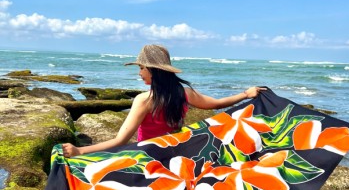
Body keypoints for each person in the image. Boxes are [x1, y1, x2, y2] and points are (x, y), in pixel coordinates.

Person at [62, 44, 266, 158]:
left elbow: (120, 141)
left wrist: (80, 150)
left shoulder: (143, 100)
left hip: (150, 156)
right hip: (177, 153)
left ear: (154, 71)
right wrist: (245, 94)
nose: (140, 73)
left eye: (142, 67)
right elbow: (217, 104)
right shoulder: (184, 93)